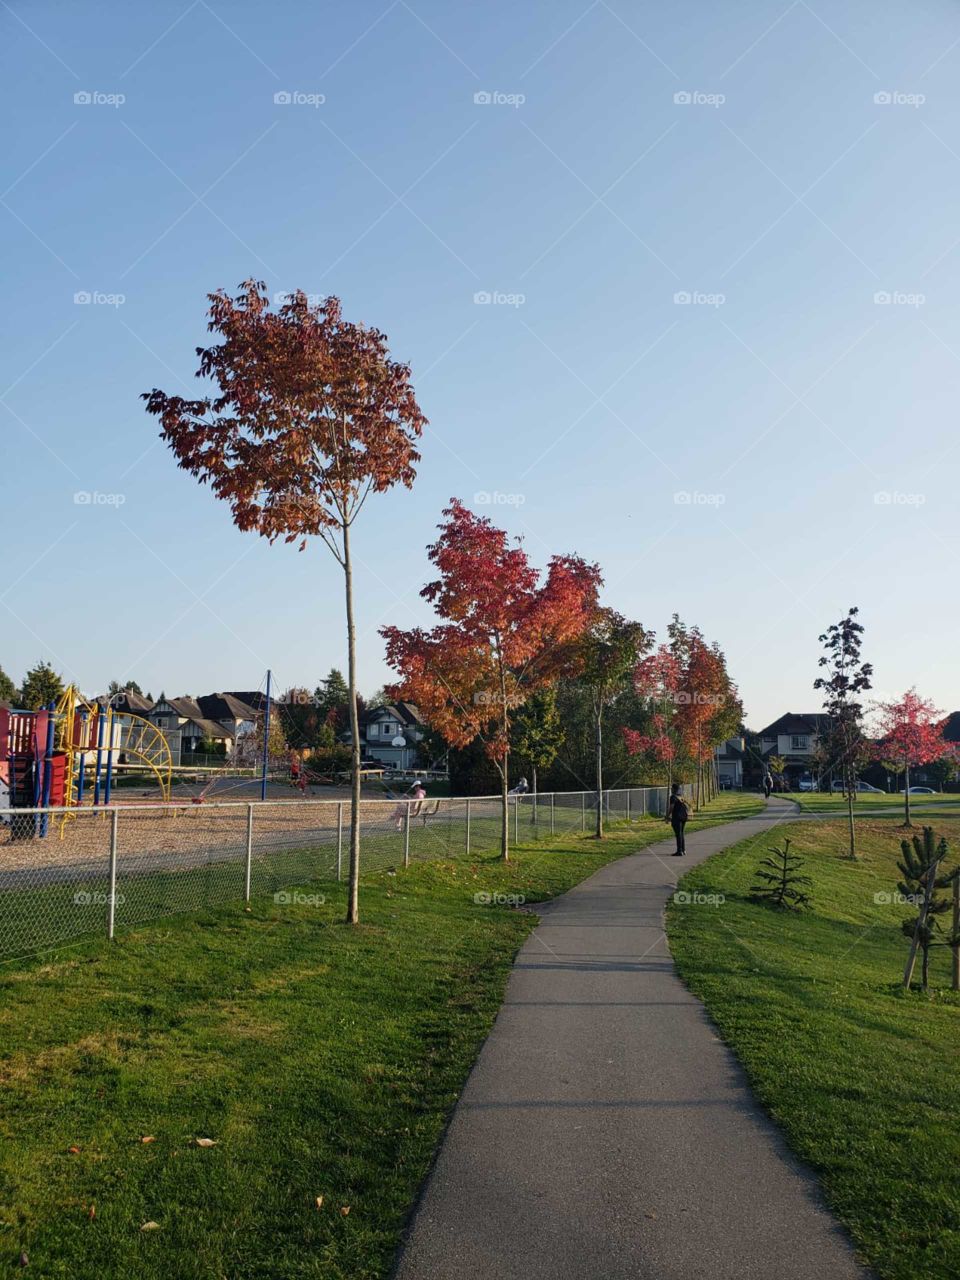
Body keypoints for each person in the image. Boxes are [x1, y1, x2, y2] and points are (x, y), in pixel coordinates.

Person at [665, 783, 689, 856]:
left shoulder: (673, 797)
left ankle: (679, 851)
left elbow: (672, 807)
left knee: (678, 834)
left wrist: (667, 816)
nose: (671, 789)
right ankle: (683, 850)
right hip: (684, 817)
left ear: (674, 789)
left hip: (677, 817)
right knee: (681, 833)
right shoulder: (681, 796)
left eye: (672, 788)